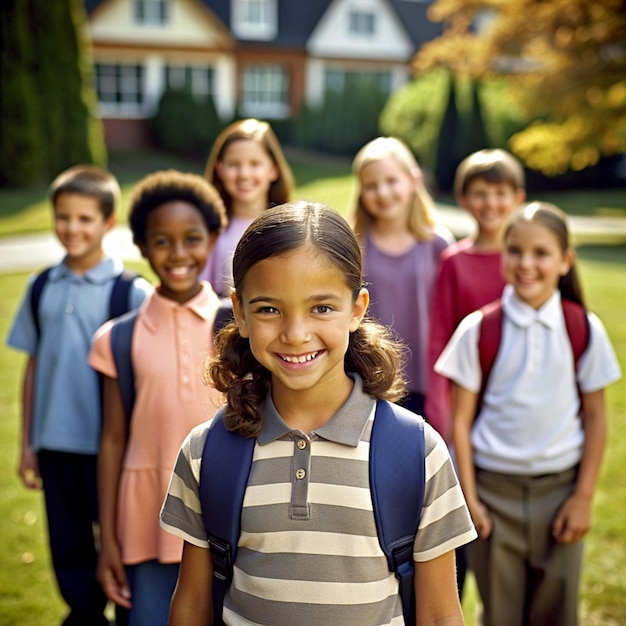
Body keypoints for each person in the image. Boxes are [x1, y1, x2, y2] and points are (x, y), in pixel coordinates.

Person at [160, 201, 477, 626]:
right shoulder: (206, 454)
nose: (295, 334)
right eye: (269, 309)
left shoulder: (417, 453)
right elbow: (191, 608)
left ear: (358, 307)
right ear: (239, 313)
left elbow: (440, 615)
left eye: (321, 308)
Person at [435, 202, 621, 625]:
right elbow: (459, 421)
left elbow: (596, 418)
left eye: (541, 253)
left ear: (565, 260)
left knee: (558, 613)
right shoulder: (478, 330)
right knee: (499, 613)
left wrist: (583, 498)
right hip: (492, 498)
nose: (526, 264)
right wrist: (471, 498)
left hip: (561, 495)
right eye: (515, 251)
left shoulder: (584, 329)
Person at [5, 164, 152, 625]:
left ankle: (128, 614)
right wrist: (28, 444)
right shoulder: (41, 286)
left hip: (111, 450)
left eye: (85, 218)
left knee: (120, 542)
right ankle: (84, 616)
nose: (72, 228)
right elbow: (33, 368)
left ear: (108, 223)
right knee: (68, 545)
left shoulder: (130, 292)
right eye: (63, 217)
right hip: (54, 445)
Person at [87, 170, 228, 626]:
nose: (179, 253)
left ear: (212, 238)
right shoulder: (117, 338)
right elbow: (111, 441)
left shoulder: (237, 327)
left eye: (191, 238)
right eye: (162, 241)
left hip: (224, 513)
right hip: (146, 520)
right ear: (143, 247)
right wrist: (107, 539)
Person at [426, 149, 526, 442]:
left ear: (517, 198)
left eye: (500, 193)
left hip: (518, 394)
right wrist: (439, 404)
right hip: (466, 397)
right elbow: (439, 337)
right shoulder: (453, 261)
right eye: (480, 194)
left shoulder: (528, 263)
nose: (490, 203)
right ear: (464, 200)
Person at [350, 136, 454, 417]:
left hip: (425, 378)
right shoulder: (356, 247)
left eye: (391, 181)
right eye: (371, 185)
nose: (382, 192)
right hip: (369, 378)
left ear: (414, 180)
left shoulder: (438, 244)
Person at [198, 118, 294, 296]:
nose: (244, 174)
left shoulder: (293, 228)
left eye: (254, 164)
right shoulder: (210, 230)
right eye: (234, 165)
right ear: (220, 169)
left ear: (273, 169)